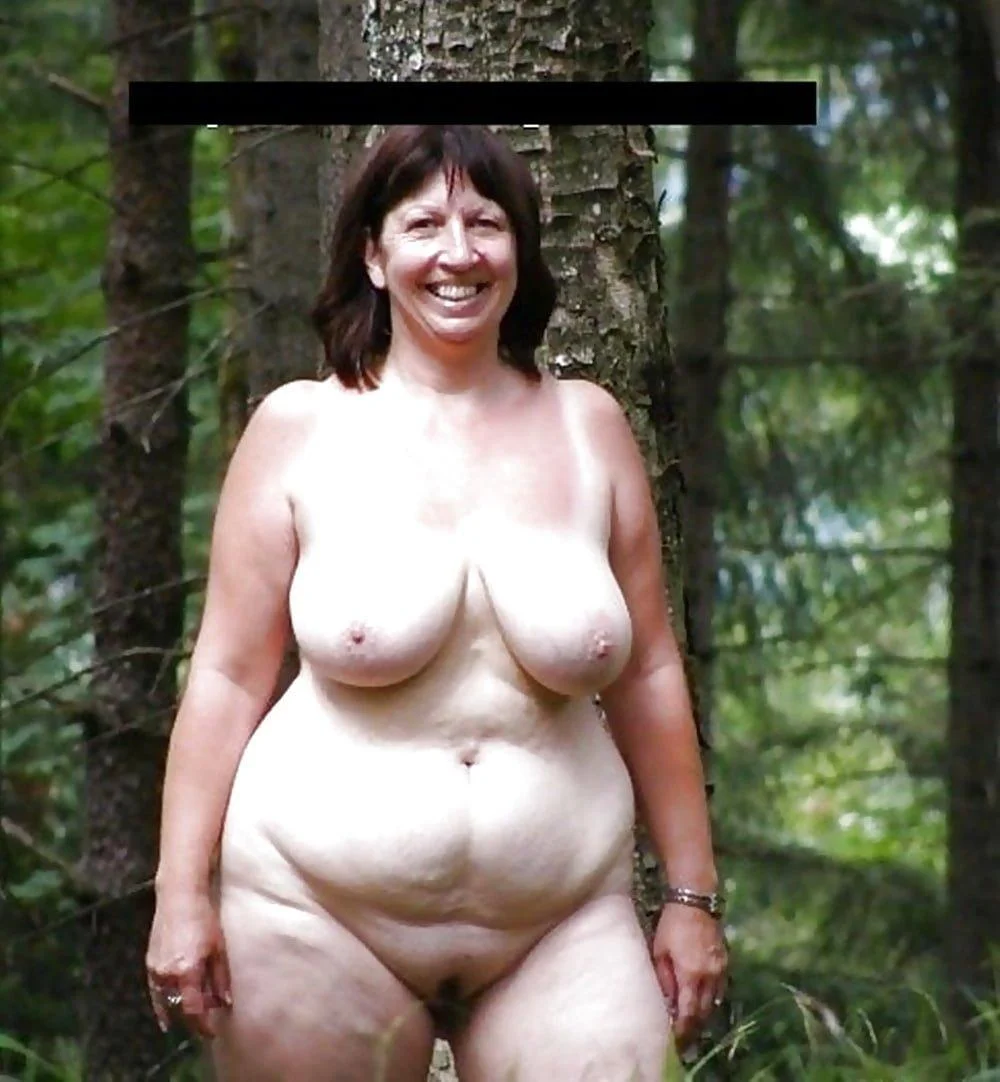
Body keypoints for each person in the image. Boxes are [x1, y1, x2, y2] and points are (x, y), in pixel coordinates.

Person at [146, 124, 727, 1082]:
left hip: (562, 926)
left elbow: (652, 672)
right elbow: (225, 676)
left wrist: (692, 898)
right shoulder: (300, 427)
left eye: (485, 224)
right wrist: (180, 894)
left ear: (519, 251)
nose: (458, 253)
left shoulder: (590, 426)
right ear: (373, 257)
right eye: (423, 226)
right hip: (312, 911)